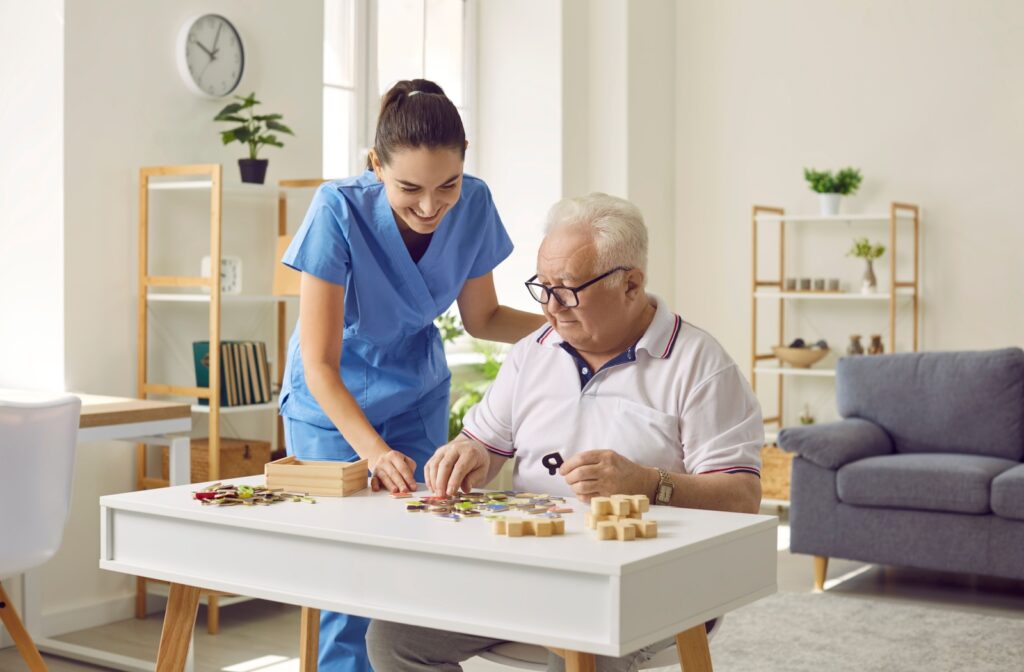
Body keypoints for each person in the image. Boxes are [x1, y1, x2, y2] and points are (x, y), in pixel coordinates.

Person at [365, 192, 764, 672]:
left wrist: (646, 484)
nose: (550, 308)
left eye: (568, 290)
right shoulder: (532, 352)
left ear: (631, 284)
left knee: (585, 644)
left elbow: (743, 496)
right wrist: (467, 453)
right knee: (394, 638)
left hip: (652, 584)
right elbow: (484, 445)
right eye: (542, 287)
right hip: (530, 572)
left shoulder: (700, 365)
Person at [278, 78, 545, 672]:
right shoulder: (336, 208)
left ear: (465, 158)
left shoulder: (473, 203)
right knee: (348, 577)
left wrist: (573, 326)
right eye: (409, 190)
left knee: (421, 555)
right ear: (376, 165)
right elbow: (318, 364)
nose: (431, 207)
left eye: (446, 185)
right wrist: (372, 453)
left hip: (418, 392)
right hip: (332, 406)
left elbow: (484, 318)